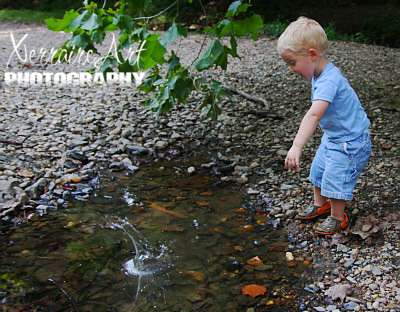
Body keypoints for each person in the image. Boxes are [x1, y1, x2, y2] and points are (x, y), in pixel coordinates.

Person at [277, 17, 372, 235]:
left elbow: (314, 115)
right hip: (334, 136)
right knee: (318, 171)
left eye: (292, 62)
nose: (291, 69)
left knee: (335, 177)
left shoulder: (329, 81)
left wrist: (296, 146)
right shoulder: (318, 73)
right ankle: (321, 205)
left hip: (351, 141)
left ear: (312, 54)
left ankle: (338, 216)